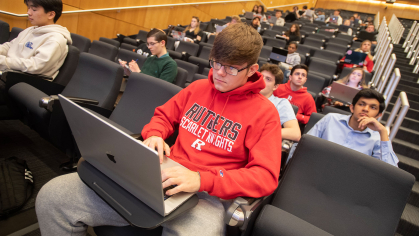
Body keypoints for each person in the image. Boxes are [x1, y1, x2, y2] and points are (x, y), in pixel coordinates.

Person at [36, 23, 283, 236]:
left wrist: (201, 179)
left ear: (252, 70)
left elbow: (265, 177)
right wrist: (155, 134)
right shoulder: (198, 88)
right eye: (216, 63)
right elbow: (163, 115)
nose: (218, 73)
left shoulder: (265, 114)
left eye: (231, 68)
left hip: (207, 195)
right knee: (54, 198)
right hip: (160, 175)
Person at [291, 89, 399, 167]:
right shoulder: (331, 119)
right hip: (314, 168)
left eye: (373, 107)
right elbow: (303, 146)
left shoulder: (377, 138)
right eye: (362, 104)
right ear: (352, 107)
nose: (366, 109)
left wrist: (383, 132)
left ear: (378, 115)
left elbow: (390, 172)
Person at [0, 0, 71, 79]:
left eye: (34, 9)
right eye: (28, 8)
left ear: (51, 14)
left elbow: (35, 66)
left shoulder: (55, 39)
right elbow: (9, 47)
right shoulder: (30, 30)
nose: (29, 12)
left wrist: (3, 61)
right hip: (8, 72)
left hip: (25, 81)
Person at [260, 64, 301, 142]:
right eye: (261, 76)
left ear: (275, 86)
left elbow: (295, 133)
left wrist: (262, 132)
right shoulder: (246, 94)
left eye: (268, 79)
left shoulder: (281, 103)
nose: (262, 80)